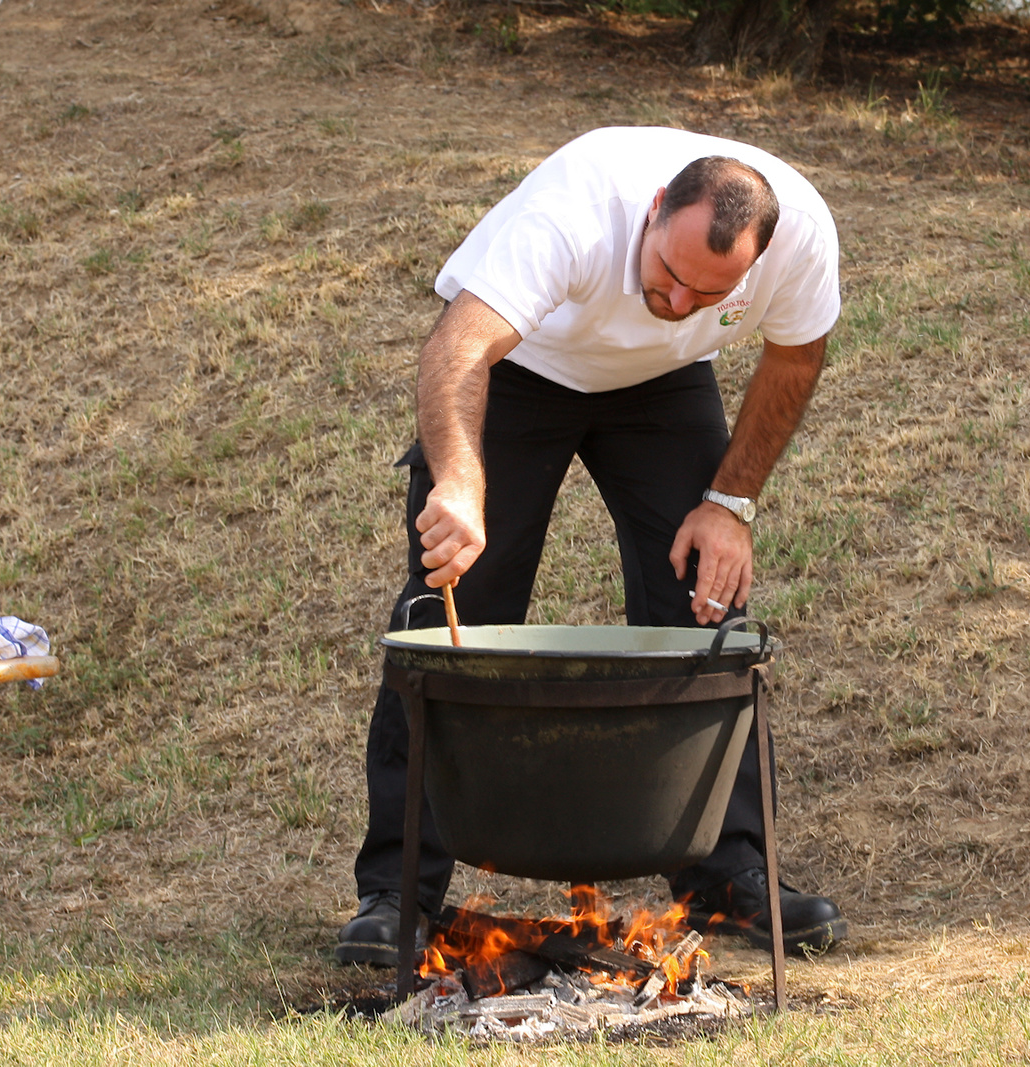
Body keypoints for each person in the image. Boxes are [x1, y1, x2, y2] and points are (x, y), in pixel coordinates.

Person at [336, 125, 845, 966]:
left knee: (705, 607)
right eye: (669, 275)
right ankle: (397, 892)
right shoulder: (575, 213)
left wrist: (729, 502)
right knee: (454, 611)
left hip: (663, 385)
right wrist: (459, 482)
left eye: (707, 293)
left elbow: (796, 355)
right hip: (525, 368)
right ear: (651, 214)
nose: (679, 300)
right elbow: (457, 348)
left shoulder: (801, 239)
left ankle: (730, 878)